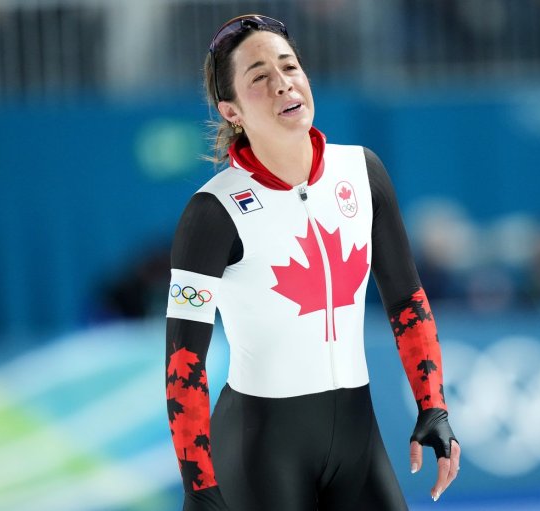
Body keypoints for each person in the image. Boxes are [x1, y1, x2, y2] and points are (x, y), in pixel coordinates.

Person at [165, 14, 460, 511]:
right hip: (262, 448)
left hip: (356, 437)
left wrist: (432, 403)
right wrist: (198, 483)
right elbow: (183, 363)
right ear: (231, 110)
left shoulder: (362, 172)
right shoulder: (212, 212)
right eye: (259, 76)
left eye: (289, 66)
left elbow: (407, 300)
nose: (283, 83)